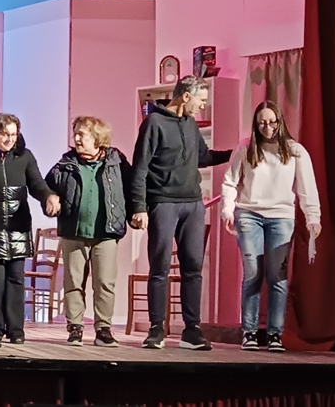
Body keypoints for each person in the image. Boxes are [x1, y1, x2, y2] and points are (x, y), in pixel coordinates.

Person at [129, 76, 233, 350]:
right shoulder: (153, 123)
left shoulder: (190, 124)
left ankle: (191, 330)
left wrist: (236, 154)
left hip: (193, 205)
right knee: (160, 267)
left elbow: (203, 157)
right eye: (201, 100)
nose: (202, 106)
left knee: (193, 269)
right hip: (163, 203)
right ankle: (156, 329)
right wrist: (139, 207)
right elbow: (139, 169)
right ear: (186, 96)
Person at [221, 101, 321, 353]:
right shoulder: (245, 149)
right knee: (253, 272)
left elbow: (307, 187)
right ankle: (250, 332)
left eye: (272, 122)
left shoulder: (295, 151)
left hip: (281, 217)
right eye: (262, 123)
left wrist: (313, 217)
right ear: (256, 124)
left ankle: (275, 333)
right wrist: (227, 210)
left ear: (280, 122)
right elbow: (230, 182)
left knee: (277, 275)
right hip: (249, 214)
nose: (268, 127)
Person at [0, 113, 58, 347]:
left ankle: (16, 330)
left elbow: (37, 184)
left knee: (16, 278)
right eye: (5, 134)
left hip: (18, 225)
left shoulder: (25, 157)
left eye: (13, 134)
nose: (9, 139)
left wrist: (48, 196)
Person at [46, 116, 132, 348]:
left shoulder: (116, 162)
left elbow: (132, 188)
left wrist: (137, 212)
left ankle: (103, 329)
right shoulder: (65, 164)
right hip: (74, 232)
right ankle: (75, 327)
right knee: (73, 283)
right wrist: (50, 197)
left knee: (105, 283)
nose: (76, 138)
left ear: (97, 137)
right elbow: (45, 187)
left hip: (106, 233)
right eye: (75, 133)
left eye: (81, 134)